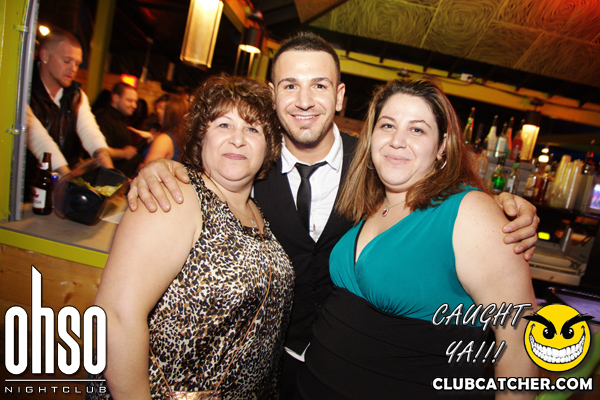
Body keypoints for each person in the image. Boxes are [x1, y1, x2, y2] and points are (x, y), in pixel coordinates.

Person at [126, 32, 540, 398]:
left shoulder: (375, 162)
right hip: (263, 371)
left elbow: (441, 198)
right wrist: (161, 167)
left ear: (340, 96)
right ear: (273, 95)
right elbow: (206, 179)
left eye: (319, 85)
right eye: (290, 85)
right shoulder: (251, 160)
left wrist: (503, 205)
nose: (304, 101)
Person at [295, 78, 538, 399]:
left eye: (417, 130)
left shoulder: (470, 213)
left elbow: (519, 344)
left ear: (442, 146)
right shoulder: (371, 202)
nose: (397, 141)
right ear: (371, 136)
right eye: (387, 125)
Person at [87, 75, 294, 399]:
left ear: (269, 146)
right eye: (224, 125)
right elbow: (115, 317)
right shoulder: (174, 196)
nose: (238, 139)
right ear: (201, 137)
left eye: (252, 129)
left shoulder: (256, 210)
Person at [27, 27, 113, 178]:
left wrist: (110, 174)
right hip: (25, 182)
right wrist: (67, 179)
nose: (73, 69)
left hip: (57, 180)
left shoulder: (76, 95)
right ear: (45, 56)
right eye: (67, 61)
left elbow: (90, 132)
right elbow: (38, 139)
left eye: (77, 64)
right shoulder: (24, 91)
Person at [94, 82, 143, 177]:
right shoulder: (103, 118)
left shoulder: (121, 120)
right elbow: (98, 149)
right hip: (105, 178)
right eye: (129, 100)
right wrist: (123, 153)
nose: (134, 106)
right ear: (115, 98)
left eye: (135, 102)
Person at [138, 94, 189, 169]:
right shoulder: (179, 137)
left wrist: (140, 166)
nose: (157, 111)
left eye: (161, 108)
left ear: (173, 112)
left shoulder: (164, 139)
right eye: (156, 108)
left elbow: (147, 171)